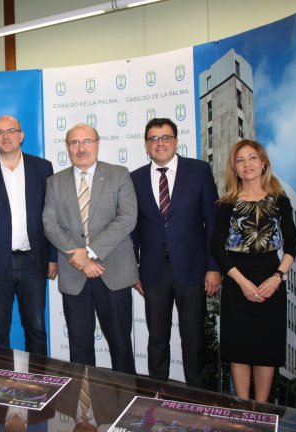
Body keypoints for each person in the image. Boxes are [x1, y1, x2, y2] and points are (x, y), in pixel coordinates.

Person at [130, 117, 221, 388]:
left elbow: (213, 224)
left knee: (194, 340)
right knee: (157, 340)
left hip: (193, 270)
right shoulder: (135, 178)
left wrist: (214, 267)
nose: (160, 143)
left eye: (166, 137)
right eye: (153, 139)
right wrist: (133, 269)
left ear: (176, 141)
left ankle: (198, 396)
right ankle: (157, 396)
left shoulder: (199, 171)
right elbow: (133, 228)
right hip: (152, 272)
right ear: (146, 145)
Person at [42, 123, 138, 374]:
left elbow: (127, 218)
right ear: (67, 147)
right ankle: (83, 400)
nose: (81, 148)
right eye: (75, 143)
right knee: (79, 350)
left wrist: (91, 252)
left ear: (97, 144)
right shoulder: (55, 182)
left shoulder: (119, 174)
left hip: (113, 272)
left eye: (87, 141)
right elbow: (49, 224)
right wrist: (82, 260)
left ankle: (126, 397)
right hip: (74, 275)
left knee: (121, 348)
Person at [211, 139, 296, 402]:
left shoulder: (280, 200)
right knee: (239, 349)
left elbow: (292, 245)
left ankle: (261, 410)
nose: (246, 164)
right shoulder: (227, 203)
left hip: (271, 278)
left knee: (265, 350)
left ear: (263, 164)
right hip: (236, 279)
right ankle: (242, 408)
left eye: (252, 158)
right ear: (234, 169)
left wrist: (278, 277)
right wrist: (242, 282)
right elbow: (216, 248)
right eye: (240, 160)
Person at [0, 115, 58, 356]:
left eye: (11, 131)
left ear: (21, 135)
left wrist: (52, 257)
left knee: (36, 328)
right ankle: (0, 378)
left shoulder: (42, 168)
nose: (5, 136)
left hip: (33, 262)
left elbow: (52, 216)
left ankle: (38, 378)